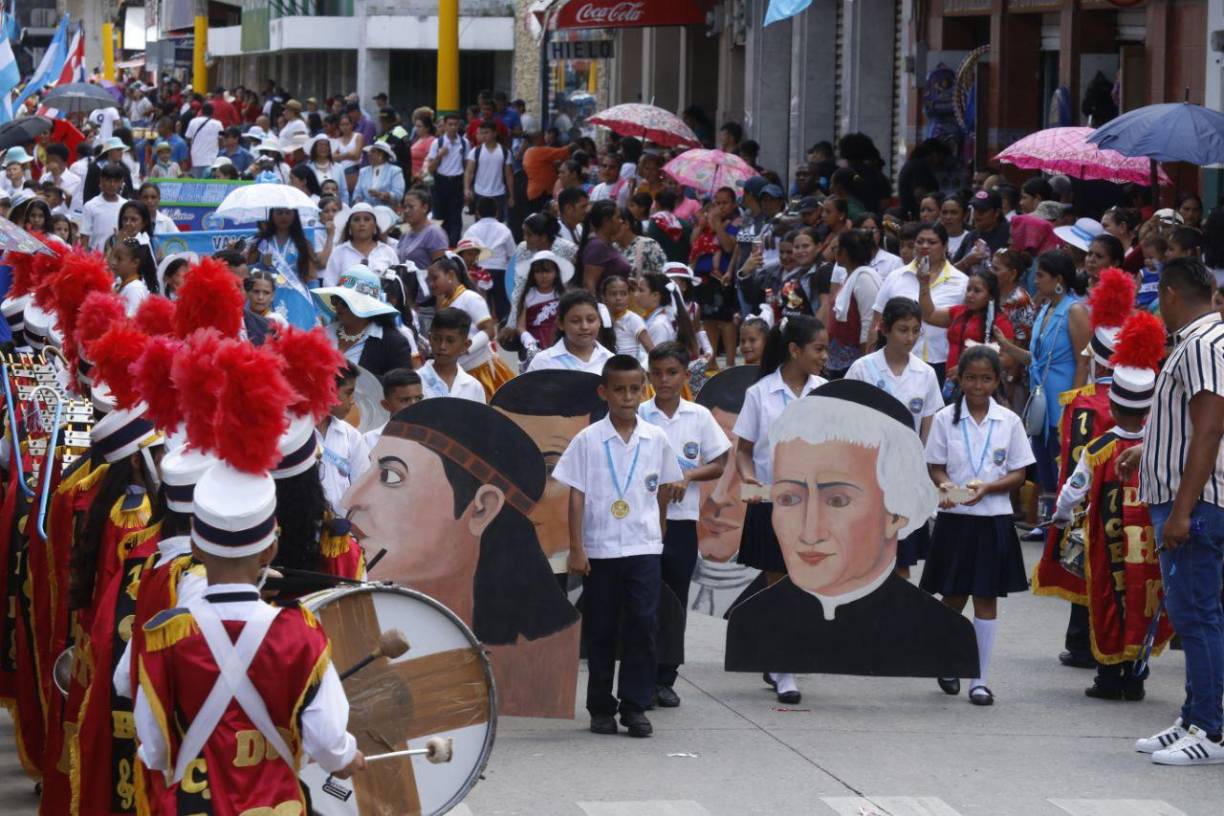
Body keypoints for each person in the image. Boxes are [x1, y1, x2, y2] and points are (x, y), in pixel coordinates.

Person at [552, 354, 684, 737]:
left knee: (644, 624)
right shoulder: (588, 439)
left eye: (633, 390)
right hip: (602, 547)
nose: (627, 398)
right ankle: (600, 707)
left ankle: (634, 705)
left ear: (642, 391)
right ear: (603, 392)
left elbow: (662, 488)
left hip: (643, 547)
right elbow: (576, 494)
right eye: (619, 390)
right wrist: (577, 546)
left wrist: (658, 530)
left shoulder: (655, 437)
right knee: (602, 627)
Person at [1127, 256, 1224, 764]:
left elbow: (1210, 428)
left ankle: (1210, 730)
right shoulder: (1206, 343)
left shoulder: (1204, 345)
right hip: (1193, 495)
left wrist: (1183, 511)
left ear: (1168, 294)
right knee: (1197, 614)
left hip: (1197, 502)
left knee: (1197, 616)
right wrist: (1149, 449)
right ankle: (1194, 716)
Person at [1051, 310, 1172, 702]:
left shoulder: (1099, 450)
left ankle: (1108, 678)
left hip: (1108, 545)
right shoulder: (1161, 449)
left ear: (1115, 409)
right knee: (1142, 602)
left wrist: (1060, 515)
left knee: (1107, 601)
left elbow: (1074, 488)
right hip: (1150, 550)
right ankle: (1136, 677)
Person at [923, 345, 1035, 705]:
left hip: (993, 520)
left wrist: (989, 488)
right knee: (953, 596)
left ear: (997, 381)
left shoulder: (1009, 421)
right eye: (971, 377)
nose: (977, 385)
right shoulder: (944, 419)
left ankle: (979, 679)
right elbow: (935, 465)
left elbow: (1019, 472)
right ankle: (947, 658)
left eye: (986, 378)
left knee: (986, 598)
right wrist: (947, 486)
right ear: (959, 379)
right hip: (956, 518)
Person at [734, 315, 829, 703]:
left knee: (805, 583)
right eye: (818, 349)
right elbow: (743, 451)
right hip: (774, 501)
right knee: (778, 582)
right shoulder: (761, 393)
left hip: (814, 505)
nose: (824, 356)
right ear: (794, 350)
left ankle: (780, 657)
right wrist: (751, 481)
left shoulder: (827, 392)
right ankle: (783, 667)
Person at [639, 343, 731, 706]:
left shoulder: (698, 416)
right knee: (643, 601)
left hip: (681, 521)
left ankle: (666, 677)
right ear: (648, 374)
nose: (664, 380)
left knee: (674, 600)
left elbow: (721, 462)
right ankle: (640, 676)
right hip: (641, 522)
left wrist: (687, 476)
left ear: (684, 375)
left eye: (672, 373)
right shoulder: (639, 413)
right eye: (657, 373)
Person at [992, 250, 1090, 538]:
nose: (1035, 281)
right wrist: (1006, 346)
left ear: (1059, 280)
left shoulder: (1074, 310)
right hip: (1040, 399)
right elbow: (1035, 359)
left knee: (1062, 461)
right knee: (1044, 461)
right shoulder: (1046, 309)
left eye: (1041, 276)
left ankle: (1064, 523)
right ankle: (1048, 524)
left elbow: (1083, 360)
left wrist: (1073, 403)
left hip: (1063, 399)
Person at [845, 297, 944, 577]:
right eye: (903, 329)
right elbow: (848, 421)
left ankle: (898, 617)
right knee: (867, 555)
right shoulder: (863, 369)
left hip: (906, 476)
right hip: (868, 473)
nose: (910, 337)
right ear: (884, 328)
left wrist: (923, 474)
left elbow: (927, 428)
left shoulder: (925, 374)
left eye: (916, 330)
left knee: (902, 558)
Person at [871, 222, 969, 383]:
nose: (924, 246)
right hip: (898, 360)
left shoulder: (961, 282)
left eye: (931, 242)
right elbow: (877, 320)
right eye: (920, 241)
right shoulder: (895, 277)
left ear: (944, 245)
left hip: (943, 363)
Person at [425, 255, 515, 396]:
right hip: (460, 372)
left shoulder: (469, 297)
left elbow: (489, 330)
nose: (431, 284)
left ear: (450, 275)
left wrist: (465, 349)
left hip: (481, 372)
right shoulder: (444, 303)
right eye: (429, 280)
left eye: (435, 278)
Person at [312, 265, 416, 376]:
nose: (338, 306)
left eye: (345, 301)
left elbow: (402, 389)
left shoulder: (393, 343)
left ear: (365, 304)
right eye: (335, 299)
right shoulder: (323, 335)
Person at [315, 363, 371, 514]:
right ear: (328, 390)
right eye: (348, 393)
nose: (352, 401)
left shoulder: (351, 436)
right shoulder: (293, 437)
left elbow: (364, 491)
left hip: (344, 532)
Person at [826, 229, 882, 377]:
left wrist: (865, 368)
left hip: (856, 364)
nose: (834, 251)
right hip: (838, 362)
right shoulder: (849, 277)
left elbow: (868, 324)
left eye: (837, 248)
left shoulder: (865, 279)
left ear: (843, 252)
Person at [528, 289, 616, 373]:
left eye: (591, 320)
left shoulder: (611, 361)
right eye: (575, 321)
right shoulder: (543, 362)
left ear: (599, 322)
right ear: (561, 324)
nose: (584, 327)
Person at [464, 196, 517, 320]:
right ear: (497, 212)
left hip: (477, 272)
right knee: (503, 308)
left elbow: (464, 252)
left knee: (480, 308)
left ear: (477, 212)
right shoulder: (504, 230)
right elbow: (512, 254)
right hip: (500, 272)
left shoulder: (472, 230)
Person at [418, 307, 486, 402]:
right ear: (429, 338)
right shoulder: (416, 382)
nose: (442, 346)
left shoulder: (473, 387)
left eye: (450, 341)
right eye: (436, 339)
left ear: (465, 345)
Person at [323, 202, 399, 287]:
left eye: (367, 219)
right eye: (356, 220)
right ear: (350, 227)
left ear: (374, 226)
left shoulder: (387, 252)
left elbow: (397, 284)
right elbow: (328, 284)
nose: (361, 224)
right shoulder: (339, 252)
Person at [510, 250, 571, 356]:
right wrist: (527, 340)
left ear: (556, 273)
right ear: (532, 274)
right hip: (533, 344)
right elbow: (520, 326)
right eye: (538, 271)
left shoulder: (564, 295)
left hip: (559, 341)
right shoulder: (528, 295)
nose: (543, 276)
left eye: (548, 271)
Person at [249, 207, 320, 293]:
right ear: (272, 214)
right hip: (266, 296)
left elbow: (311, 277)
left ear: (295, 215)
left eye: (288, 213)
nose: (284, 216)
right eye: (279, 213)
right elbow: (247, 272)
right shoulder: (261, 242)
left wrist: (316, 300)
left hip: (297, 296)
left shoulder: (303, 244)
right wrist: (262, 266)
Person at [427, 113, 470, 245]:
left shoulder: (464, 143)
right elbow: (430, 168)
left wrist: (466, 188)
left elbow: (467, 166)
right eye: (450, 124)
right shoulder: (437, 143)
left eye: (455, 124)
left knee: (455, 217)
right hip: (441, 182)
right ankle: (439, 246)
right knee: (439, 217)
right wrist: (440, 155)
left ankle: (453, 247)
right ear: (444, 126)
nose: (453, 128)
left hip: (457, 181)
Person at [361, 368, 424, 451]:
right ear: (386, 405)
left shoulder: (436, 439)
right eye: (405, 400)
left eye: (419, 398)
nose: (414, 405)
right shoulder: (370, 441)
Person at [465, 120, 514, 221]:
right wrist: (466, 189)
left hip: (499, 193)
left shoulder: (505, 152)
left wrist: (511, 196)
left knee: (498, 223)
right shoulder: (475, 151)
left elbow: (509, 175)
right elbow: (469, 172)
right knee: (480, 223)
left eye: (486, 132)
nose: (483, 135)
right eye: (482, 133)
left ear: (494, 134)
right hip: (480, 193)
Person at [396, 187, 450, 269]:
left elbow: (441, 268)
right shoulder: (405, 233)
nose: (406, 211)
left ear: (425, 208)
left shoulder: (434, 233)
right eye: (405, 207)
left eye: (411, 207)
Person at [602, 273, 650, 362]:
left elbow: (651, 351)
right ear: (603, 297)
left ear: (629, 296)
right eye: (613, 294)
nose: (618, 298)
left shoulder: (633, 319)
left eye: (623, 294)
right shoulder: (599, 319)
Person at [80, 163, 128, 251]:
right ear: (101, 181)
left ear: (121, 183)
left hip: (119, 256)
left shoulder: (126, 205)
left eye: (116, 181)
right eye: (108, 180)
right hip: (96, 257)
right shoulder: (90, 205)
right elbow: (85, 236)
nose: (112, 184)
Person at [352, 141, 405, 207]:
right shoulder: (363, 171)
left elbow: (398, 195)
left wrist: (380, 195)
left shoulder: (395, 171)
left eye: (373, 151)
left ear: (381, 155)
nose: (368, 154)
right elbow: (357, 193)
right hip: (366, 211)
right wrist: (358, 206)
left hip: (387, 210)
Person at [306, 134, 348, 205]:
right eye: (320, 145)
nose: (323, 147)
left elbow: (343, 192)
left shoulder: (338, 167)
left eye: (326, 145)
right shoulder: (308, 167)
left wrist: (344, 207)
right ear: (315, 148)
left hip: (335, 206)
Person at [184, 102, 224, 177]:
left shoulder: (193, 121)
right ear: (212, 112)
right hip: (212, 158)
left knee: (197, 183)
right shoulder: (218, 124)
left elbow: (187, 138)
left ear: (201, 111)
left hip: (196, 157)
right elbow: (221, 140)